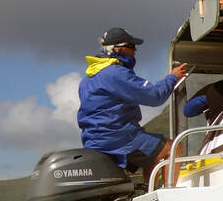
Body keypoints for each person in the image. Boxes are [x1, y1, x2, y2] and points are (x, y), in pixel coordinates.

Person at [77, 27, 189, 185]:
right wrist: (172, 78)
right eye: (132, 47)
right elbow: (154, 96)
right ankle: (164, 198)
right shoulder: (115, 73)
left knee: (152, 155)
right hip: (117, 136)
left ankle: (150, 196)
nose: (135, 50)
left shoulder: (88, 79)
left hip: (93, 140)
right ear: (120, 49)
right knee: (172, 148)